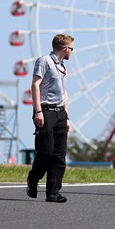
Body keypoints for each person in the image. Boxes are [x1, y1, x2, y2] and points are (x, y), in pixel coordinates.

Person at [26, 34, 75, 203]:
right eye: (71, 49)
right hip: (45, 111)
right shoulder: (44, 61)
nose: (72, 52)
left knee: (60, 155)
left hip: (60, 113)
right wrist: (38, 111)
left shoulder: (62, 67)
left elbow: (64, 92)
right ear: (65, 48)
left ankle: (53, 192)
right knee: (46, 152)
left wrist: (67, 116)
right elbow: (35, 85)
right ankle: (33, 178)